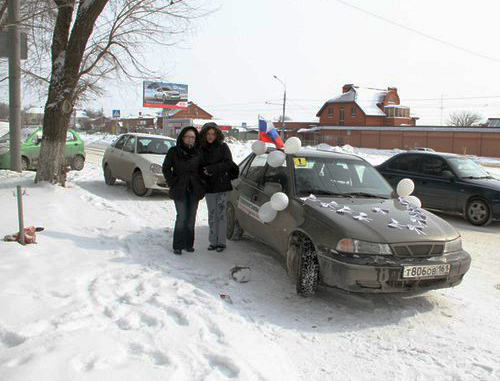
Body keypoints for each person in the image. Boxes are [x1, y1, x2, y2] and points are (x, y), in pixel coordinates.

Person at [162, 126, 206, 255]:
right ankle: (178, 245)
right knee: (181, 217)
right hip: (179, 188)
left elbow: (203, 170)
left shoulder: (198, 153)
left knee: (191, 218)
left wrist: (201, 182)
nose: (190, 139)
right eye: (187, 136)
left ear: (195, 139)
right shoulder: (173, 151)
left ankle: (188, 244)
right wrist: (172, 182)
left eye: (192, 137)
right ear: (182, 137)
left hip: (194, 189)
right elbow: (166, 168)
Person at [199, 122, 234, 252]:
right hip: (209, 187)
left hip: (222, 186)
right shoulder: (201, 148)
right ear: (204, 135)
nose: (210, 136)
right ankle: (212, 241)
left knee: (221, 214)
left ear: (217, 135)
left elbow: (229, 163)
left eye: (213, 134)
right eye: (208, 134)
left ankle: (221, 242)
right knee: (212, 214)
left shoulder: (223, 147)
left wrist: (211, 169)